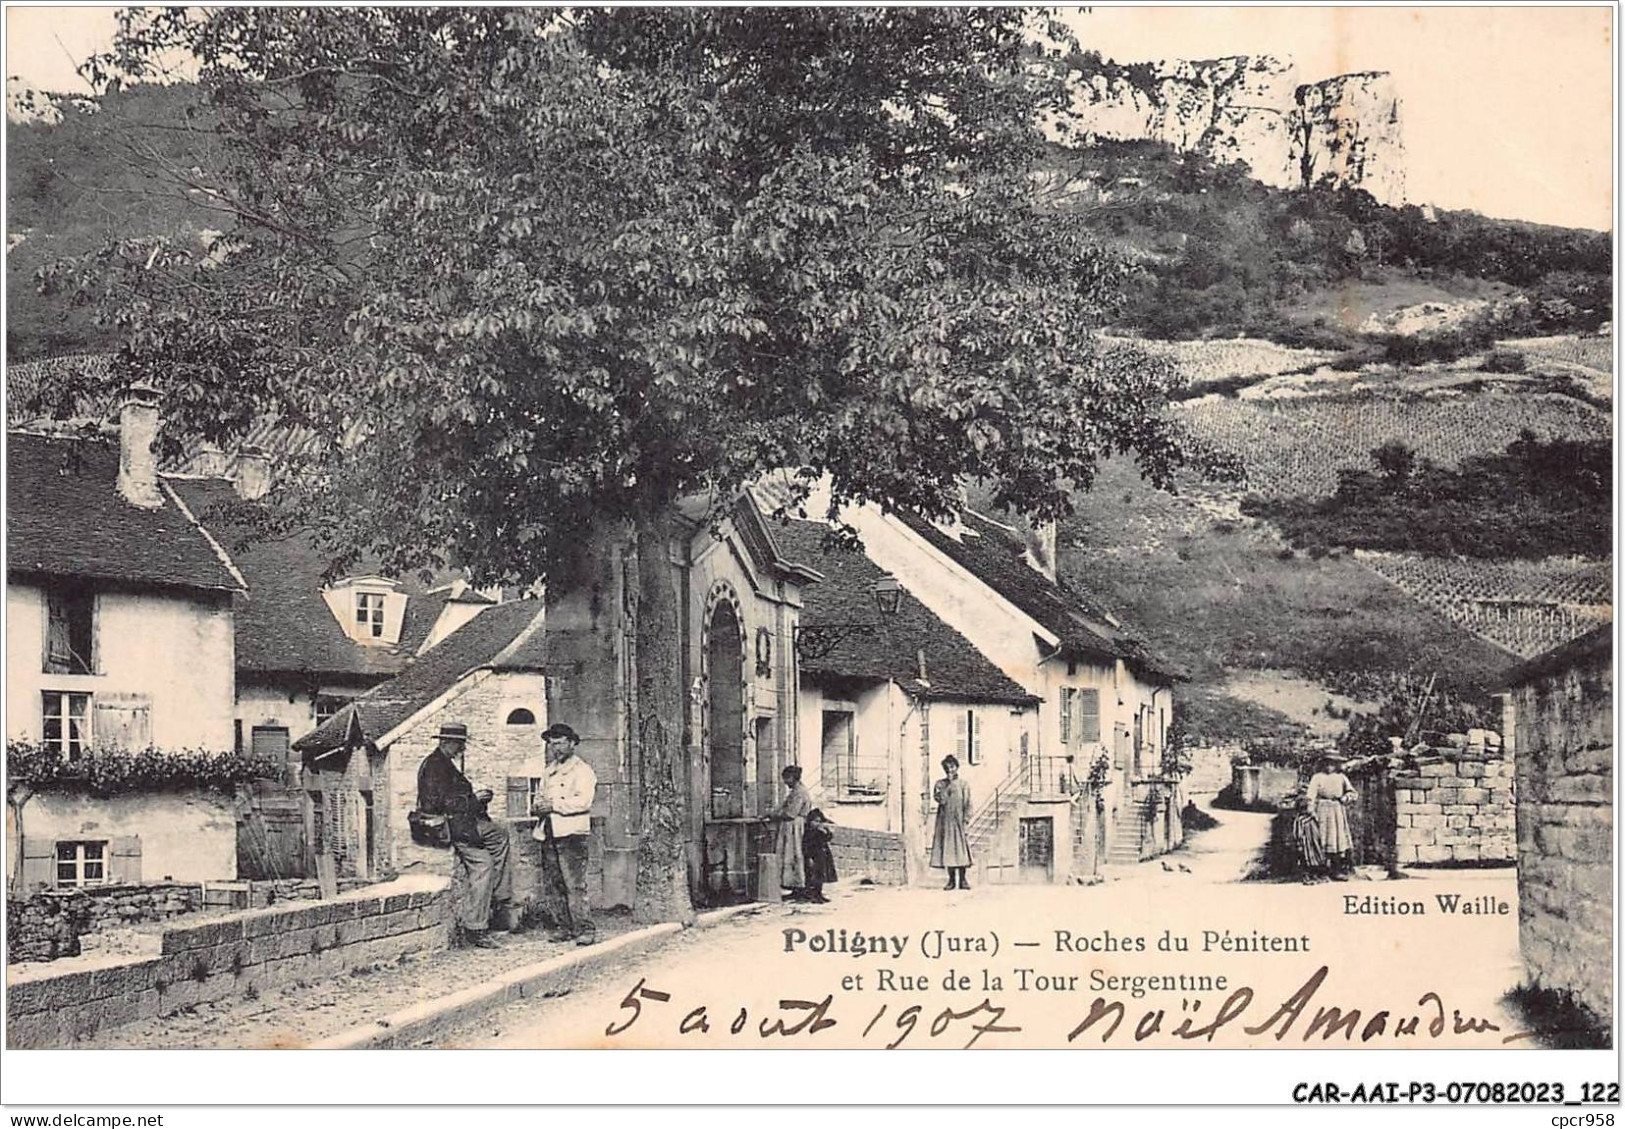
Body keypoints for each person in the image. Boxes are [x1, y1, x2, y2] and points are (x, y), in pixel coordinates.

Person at [416, 722, 511, 948]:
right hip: (454, 828)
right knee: (485, 865)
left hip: (463, 823)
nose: (462, 750)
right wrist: (475, 799)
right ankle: (477, 926)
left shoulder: (442, 763)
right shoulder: (434, 766)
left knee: (500, 836)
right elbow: (436, 803)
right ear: (446, 743)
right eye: (459, 745)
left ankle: (493, 899)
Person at [532, 722, 598, 945]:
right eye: (552, 744)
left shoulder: (583, 771)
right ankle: (564, 927)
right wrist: (538, 805)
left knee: (575, 884)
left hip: (572, 833)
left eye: (560, 743)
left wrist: (553, 805)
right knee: (554, 883)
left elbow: (583, 802)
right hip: (549, 831)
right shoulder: (549, 771)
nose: (556, 748)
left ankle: (585, 929)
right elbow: (541, 796)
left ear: (572, 743)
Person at [1305, 752, 1357, 880]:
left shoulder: (1341, 777)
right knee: (1322, 838)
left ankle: (1336, 870)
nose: (1329, 767)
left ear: (1337, 765)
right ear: (1323, 764)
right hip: (1322, 809)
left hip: (1337, 809)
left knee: (1337, 838)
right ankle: (1321, 870)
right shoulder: (1317, 777)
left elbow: (1352, 792)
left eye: (1333, 764)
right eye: (1327, 763)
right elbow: (1310, 794)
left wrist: (1346, 798)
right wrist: (1310, 809)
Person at [767, 765, 812, 899]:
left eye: (787, 778)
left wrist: (773, 816)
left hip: (794, 827)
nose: (785, 782)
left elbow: (790, 813)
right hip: (791, 827)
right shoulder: (796, 791)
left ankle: (798, 887)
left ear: (793, 778)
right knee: (790, 855)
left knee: (793, 855)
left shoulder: (799, 792)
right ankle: (795, 887)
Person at [930, 755, 973, 890]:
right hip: (945, 823)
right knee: (948, 850)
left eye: (952, 767)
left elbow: (968, 803)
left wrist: (966, 820)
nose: (950, 770)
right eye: (947, 768)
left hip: (959, 822)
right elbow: (941, 800)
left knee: (961, 850)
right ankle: (951, 881)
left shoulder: (963, 784)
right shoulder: (940, 784)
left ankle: (963, 880)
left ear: (956, 767)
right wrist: (947, 786)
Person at [799, 806, 838, 904]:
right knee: (812, 877)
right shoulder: (808, 832)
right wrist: (808, 857)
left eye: (819, 822)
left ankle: (819, 894)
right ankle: (812, 895)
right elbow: (806, 846)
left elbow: (827, 838)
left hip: (822, 856)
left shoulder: (819, 831)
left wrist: (827, 832)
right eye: (815, 821)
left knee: (821, 876)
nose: (817, 824)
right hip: (813, 857)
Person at [1291, 792, 1327, 883]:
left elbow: (1318, 827)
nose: (1312, 808)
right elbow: (1297, 832)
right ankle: (1306, 876)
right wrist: (1299, 843)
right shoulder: (1300, 820)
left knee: (1316, 858)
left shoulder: (1312, 818)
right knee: (1306, 859)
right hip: (1306, 844)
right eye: (1310, 806)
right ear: (1304, 808)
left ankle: (1315, 875)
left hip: (1314, 842)